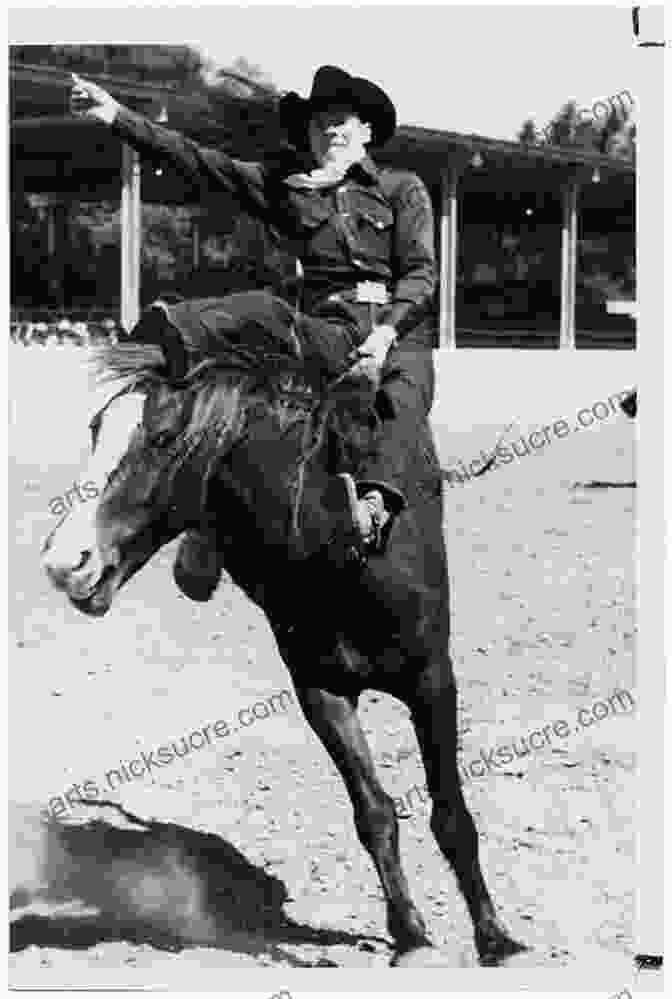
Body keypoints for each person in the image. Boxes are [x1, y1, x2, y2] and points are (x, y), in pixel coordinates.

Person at [70, 65, 438, 596]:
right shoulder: (284, 186)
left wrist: (383, 336)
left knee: (400, 405)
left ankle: (375, 505)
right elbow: (200, 161)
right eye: (319, 123)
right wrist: (117, 117)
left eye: (341, 120)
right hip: (321, 326)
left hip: (397, 335)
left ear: (367, 131)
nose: (329, 130)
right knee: (247, 365)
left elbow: (422, 273)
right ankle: (208, 530)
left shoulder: (404, 189)